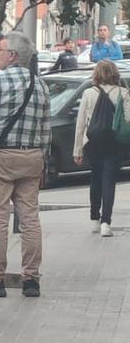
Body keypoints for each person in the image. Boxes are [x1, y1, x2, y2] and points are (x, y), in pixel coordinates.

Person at [0, 31, 50, 299]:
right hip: (33, 157)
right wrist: (43, 159)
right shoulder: (40, 84)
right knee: (30, 219)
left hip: (2, 157)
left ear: (12, 55)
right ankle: (31, 279)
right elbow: (46, 129)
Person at [73, 60, 130, 237]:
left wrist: (77, 150)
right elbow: (127, 120)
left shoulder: (89, 93)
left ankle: (94, 219)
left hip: (93, 142)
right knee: (109, 180)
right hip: (114, 142)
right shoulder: (124, 92)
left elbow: (81, 123)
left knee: (95, 177)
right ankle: (107, 222)